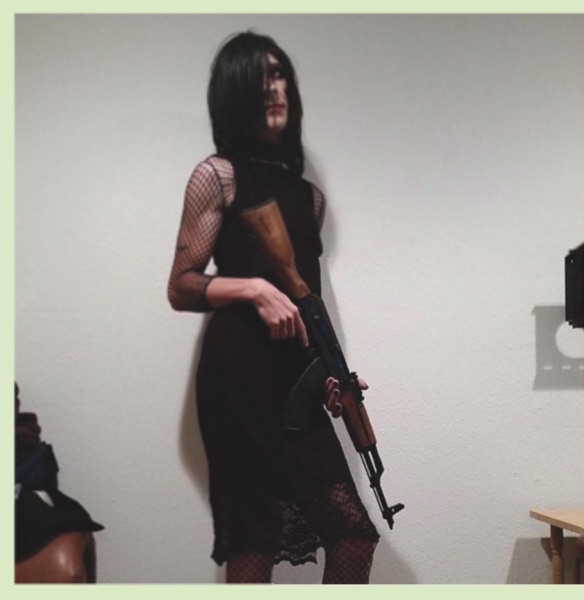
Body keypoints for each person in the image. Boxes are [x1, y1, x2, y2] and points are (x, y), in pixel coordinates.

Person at [167, 31, 379, 584]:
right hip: (237, 377)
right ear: (234, 93)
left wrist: (331, 373)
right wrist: (253, 290)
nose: (274, 87)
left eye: (280, 73)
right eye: (259, 78)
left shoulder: (310, 198)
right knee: (254, 543)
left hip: (295, 378)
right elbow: (181, 287)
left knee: (354, 537)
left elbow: (308, 299)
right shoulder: (217, 176)